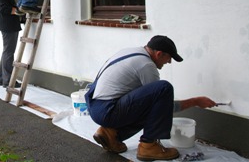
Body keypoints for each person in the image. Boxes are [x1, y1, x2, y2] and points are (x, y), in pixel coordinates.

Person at [85, 35, 217, 161]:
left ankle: (110, 134)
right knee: (164, 89)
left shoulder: (132, 52)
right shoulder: (146, 65)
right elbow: (163, 107)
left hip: (95, 105)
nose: (169, 62)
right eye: (169, 58)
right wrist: (195, 101)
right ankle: (149, 146)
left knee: (148, 103)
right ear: (159, 54)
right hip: (107, 110)